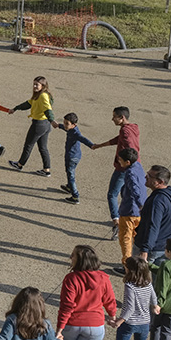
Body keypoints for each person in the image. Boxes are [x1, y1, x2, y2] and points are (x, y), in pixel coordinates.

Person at [104, 258, 155, 340]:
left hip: (129, 323)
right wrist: (155, 307)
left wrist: (118, 322)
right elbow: (153, 298)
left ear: (130, 270)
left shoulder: (130, 286)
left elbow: (129, 308)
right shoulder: (148, 284)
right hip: (144, 322)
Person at [92, 107, 141, 236]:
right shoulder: (133, 127)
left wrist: (124, 161)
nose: (112, 119)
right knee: (126, 193)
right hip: (133, 167)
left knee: (112, 194)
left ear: (122, 118)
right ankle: (128, 218)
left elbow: (131, 147)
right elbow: (117, 139)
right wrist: (100, 145)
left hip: (123, 169)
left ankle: (117, 222)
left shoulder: (125, 131)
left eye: (114, 116)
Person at [134, 165, 171, 262]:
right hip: (165, 246)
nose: (145, 177)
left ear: (160, 182)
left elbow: (153, 226)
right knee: (159, 276)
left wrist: (144, 250)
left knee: (138, 276)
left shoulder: (157, 201)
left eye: (149, 176)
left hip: (152, 249)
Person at [8, 77, 56, 176]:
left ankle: (20, 164)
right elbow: (28, 104)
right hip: (45, 125)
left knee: (28, 145)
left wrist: (52, 120)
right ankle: (46, 170)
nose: (34, 86)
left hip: (39, 124)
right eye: (34, 84)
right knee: (43, 147)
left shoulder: (43, 96)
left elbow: (47, 109)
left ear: (43, 85)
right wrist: (16, 108)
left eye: (37, 85)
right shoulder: (40, 95)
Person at [115, 148, 147, 270]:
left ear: (127, 162)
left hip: (129, 210)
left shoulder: (129, 173)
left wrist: (139, 204)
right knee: (136, 237)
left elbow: (134, 189)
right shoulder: (138, 166)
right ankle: (136, 261)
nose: (119, 161)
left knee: (125, 238)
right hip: (138, 211)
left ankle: (127, 265)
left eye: (120, 160)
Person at [54, 113, 95, 205]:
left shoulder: (76, 133)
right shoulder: (70, 129)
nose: (64, 125)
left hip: (72, 157)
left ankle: (75, 196)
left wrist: (92, 145)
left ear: (74, 125)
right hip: (74, 156)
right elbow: (65, 128)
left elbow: (83, 139)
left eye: (66, 123)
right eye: (64, 122)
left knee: (70, 175)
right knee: (69, 172)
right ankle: (69, 187)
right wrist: (58, 126)